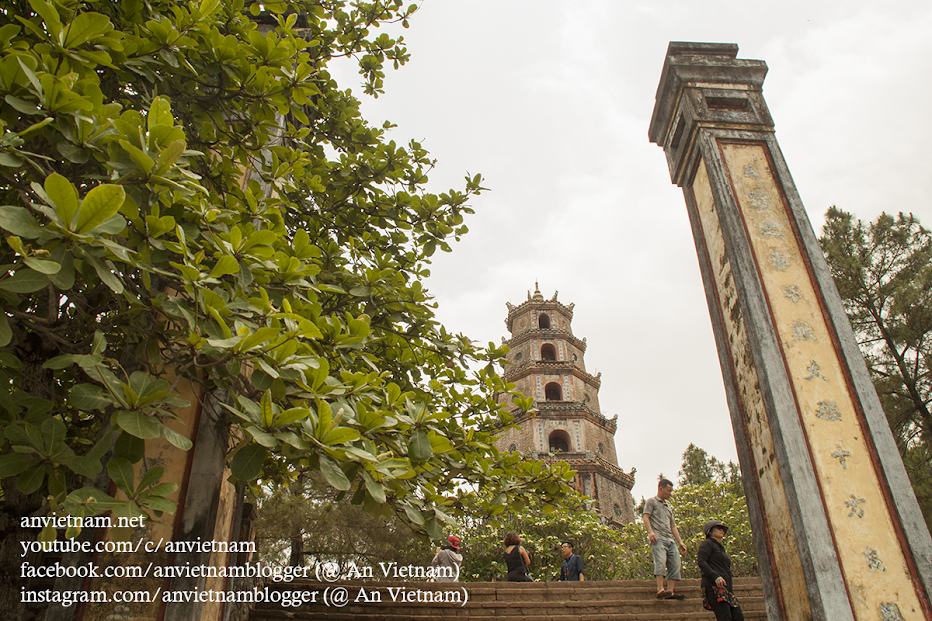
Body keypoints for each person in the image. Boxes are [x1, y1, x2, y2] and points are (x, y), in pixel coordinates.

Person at [643, 478, 687, 599]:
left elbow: (673, 526)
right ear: (661, 488)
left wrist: (680, 542)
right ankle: (660, 589)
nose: (670, 493)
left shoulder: (669, 507)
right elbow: (646, 517)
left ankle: (670, 591)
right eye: (668, 491)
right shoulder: (652, 501)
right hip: (658, 538)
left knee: (675, 564)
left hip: (670, 540)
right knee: (660, 562)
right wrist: (650, 532)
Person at [697, 520, 745, 621]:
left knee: (738, 617)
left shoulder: (721, 548)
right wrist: (716, 576)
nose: (722, 530)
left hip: (726, 589)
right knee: (725, 617)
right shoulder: (707, 544)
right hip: (714, 587)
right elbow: (701, 562)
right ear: (709, 531)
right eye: (718, 528)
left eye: (723, 528)